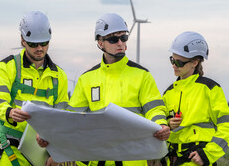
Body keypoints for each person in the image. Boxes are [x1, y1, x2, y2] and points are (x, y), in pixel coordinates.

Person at [68, 13, 170, 166]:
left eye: (124, 38)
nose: (120, 43)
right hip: (97, 159)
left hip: (133, 159)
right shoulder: (86, 79)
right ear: (100, 42)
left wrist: (161, 124)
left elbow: (154, 109)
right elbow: (72, 121)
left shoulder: (142, 75)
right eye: (113, 39)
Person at [0, 11, 69, 166]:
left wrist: (58, 155)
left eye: (44, 43)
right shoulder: (7, 67)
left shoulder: (59, 76)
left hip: (43, 153)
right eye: (33, 44)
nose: (39, 48)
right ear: (22, 40)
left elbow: (63, 118)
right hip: (10, 147)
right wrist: (9, 112)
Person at [162, 31, 229, 166]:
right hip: (172, 160)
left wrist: (208, 154)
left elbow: (228, 126)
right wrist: (168, 125)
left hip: (198, 160)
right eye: (172, 60)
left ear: (194, 63)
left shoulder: (209, 88)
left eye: (179, 62)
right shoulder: (169, 92)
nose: (174, 65)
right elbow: (159, 128)